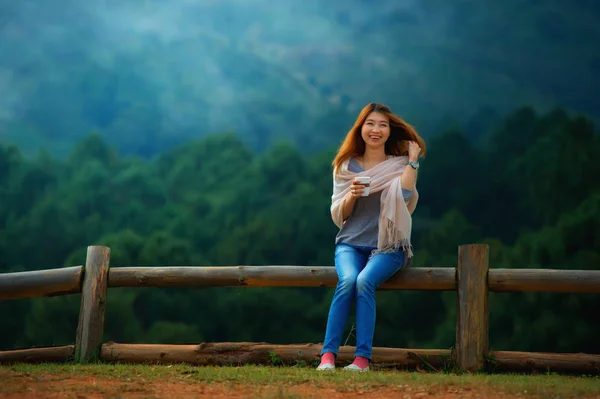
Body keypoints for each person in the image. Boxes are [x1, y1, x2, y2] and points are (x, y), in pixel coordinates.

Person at [316, 102, 426, 372]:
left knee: (365, 281)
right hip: (350, 243)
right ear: (361, 128)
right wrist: (352, 194)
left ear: (390, 131)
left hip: (388, 246)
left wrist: (412, 159)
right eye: (370, 124)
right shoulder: (345, 166)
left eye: (382, 125)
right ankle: (327, 356)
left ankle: (362, 359)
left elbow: (406, 196)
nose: (375, 130)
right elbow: (338, 213)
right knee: (348, 280)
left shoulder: (399, 166)